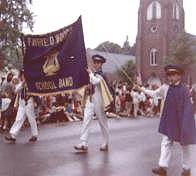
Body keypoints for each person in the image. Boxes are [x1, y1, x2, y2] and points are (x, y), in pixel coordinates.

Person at [136, 65, 196, 176]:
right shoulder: (165, 88)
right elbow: (154, 94)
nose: (170, 78)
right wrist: (142, 89)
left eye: (173, 75)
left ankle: (186, 170)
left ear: (179, 76)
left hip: (182, 121)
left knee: (185, 146)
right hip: (170, 121)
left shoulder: (184, 90)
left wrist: (187, 124)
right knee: (166, 142)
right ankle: (162, 167)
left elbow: (188, 108)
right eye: (169, 75)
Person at [74, 54, 113, 152]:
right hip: (90, 99)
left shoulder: (101, 75)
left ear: (101, 64)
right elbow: (91, 84)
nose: (96, 64)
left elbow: (96, 82)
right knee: (86, 120)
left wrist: (90, 74)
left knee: (102, 121)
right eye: (95, 62)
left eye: (98, 63)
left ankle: (105, 142)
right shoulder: (92, 75)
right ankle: (83, 143)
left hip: (99, 99)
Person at [4, 69, 38, 143]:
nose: (22, 76)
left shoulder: (31, 82)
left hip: (29, 101)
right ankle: (13, 135)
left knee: (31, 119)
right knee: (18, 119)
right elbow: (16, 91)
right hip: (22, 103)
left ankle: (34, 135)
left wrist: (35, 102)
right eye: (22, 74)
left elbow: (35, 92)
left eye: (23, 74)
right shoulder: (21, 83)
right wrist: (22, 84)